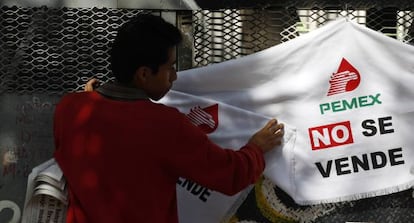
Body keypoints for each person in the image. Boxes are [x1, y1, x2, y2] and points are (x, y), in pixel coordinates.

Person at [53, 13, 284, 223]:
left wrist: (89, 100)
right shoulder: (164, 125)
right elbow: (230, 175)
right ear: (143, 74)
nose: (174, 76)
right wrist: (256, 148)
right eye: (169, 67)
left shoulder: (70, 109)